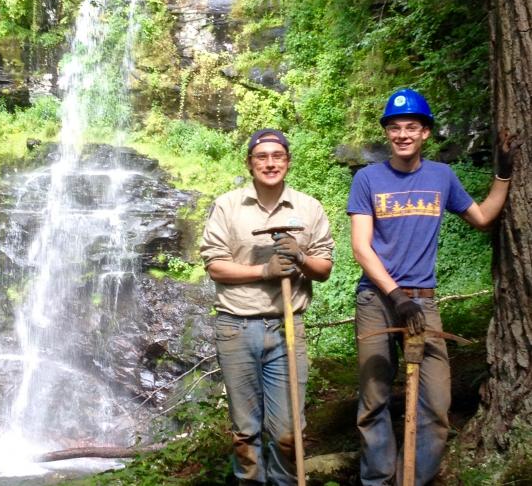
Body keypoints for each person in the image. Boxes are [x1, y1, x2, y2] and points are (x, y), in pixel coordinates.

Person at [347, 88, 519, 485]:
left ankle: (413, 479)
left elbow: (482, 218)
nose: (402, 134)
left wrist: (503, 173)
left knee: (436, 402)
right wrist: (396, 295)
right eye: (395, 127)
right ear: (387, 133)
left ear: (425, 132)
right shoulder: (368, 179)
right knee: (374, 398)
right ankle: (377, 478)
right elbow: (361, 247)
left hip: (423, 301)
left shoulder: (442, 176)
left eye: (412, 126)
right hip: (377, 297)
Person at [200, 128, 335, 486]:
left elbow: (324, 268)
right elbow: (214, 265)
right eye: (262, 156)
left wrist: (300, 257)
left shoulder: (308, 208)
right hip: (236, 327)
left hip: (286, 327)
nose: (270, 163)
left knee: (288, 430)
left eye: (278, 156)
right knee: (245, 431)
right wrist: (265, 269)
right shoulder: (228, 206)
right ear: (249, 163)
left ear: (288, 161)